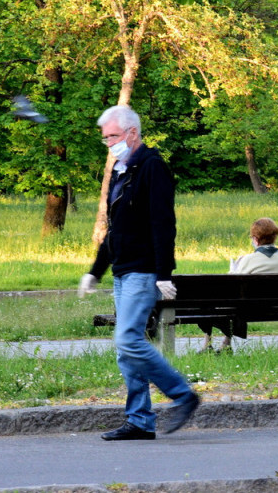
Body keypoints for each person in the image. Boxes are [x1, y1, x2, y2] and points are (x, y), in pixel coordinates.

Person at [83, 104, 199, 441]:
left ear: (132, 132)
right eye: (105, 138)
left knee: (127, 339)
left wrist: (164, 273)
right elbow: (114, 229)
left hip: (144, 270)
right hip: (122, 270)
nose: (108, 143)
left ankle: (182, 394)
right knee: (125, 349)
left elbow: (163, 223)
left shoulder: (152, 167)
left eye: (113, 136)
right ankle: (139, 421)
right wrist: (95, 272)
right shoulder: (123, 170)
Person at [198, 217, 278, 353]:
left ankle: (208, 343)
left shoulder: (247, 259)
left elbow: (233, 285)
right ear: (275, 236)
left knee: (215, 300)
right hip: (275, 306)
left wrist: (232, 270)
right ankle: (225, 344)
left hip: (247, 308)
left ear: (255, 239)